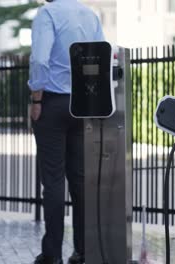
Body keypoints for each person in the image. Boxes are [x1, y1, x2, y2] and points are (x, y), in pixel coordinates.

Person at [28, 0, 105, 263]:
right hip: (82, 105)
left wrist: (36, 99)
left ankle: (52, 255)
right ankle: (83, 251)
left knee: (53, 182)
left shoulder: (47, 14)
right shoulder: (89, 15)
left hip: (52, 103)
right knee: (80, 180)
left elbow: (40, 58)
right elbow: (101, 55)